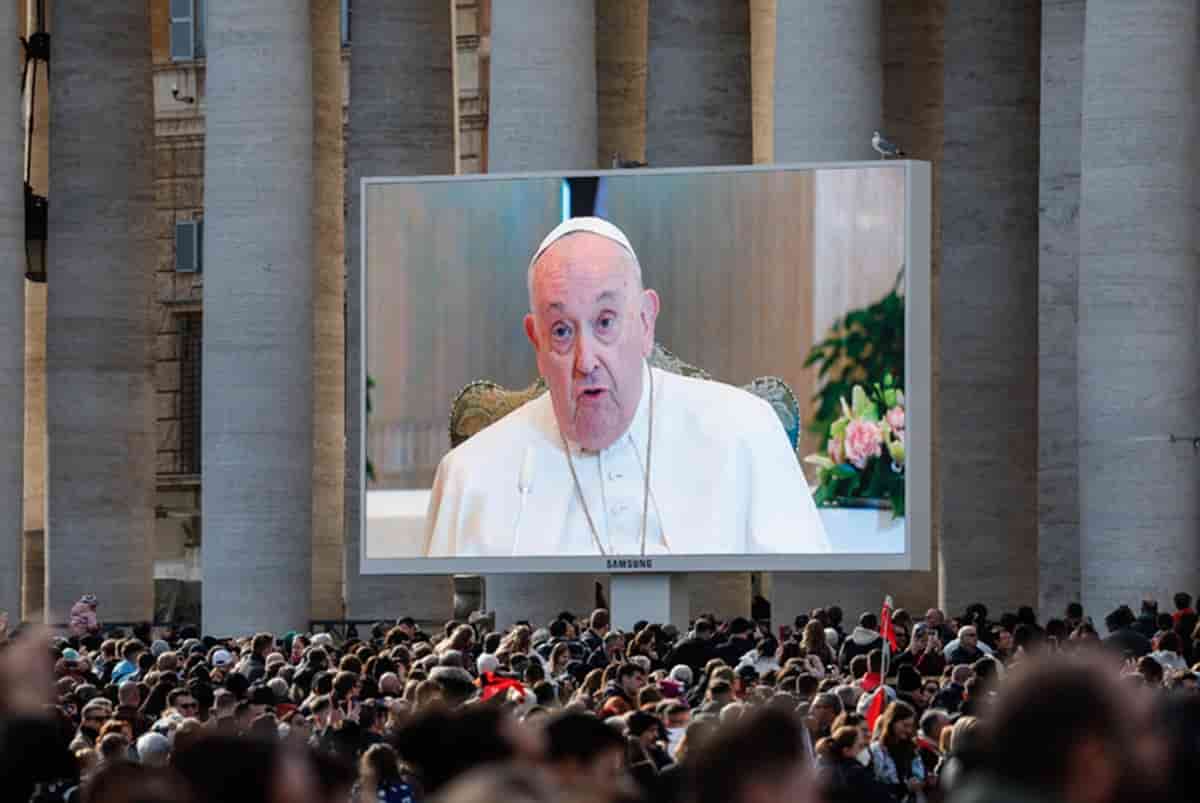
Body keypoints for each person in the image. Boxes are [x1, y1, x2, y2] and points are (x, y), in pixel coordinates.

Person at [423, 216, 831, 556]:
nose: (586, 361)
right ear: (537, 342)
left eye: (605, 322)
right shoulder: (469, 475)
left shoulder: (747, 431)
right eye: (562, 331)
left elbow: (802, 608)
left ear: (645, 321)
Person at [817, 725, 893, 803]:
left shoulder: (824, 771)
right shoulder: (855, 774)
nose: (865, 750)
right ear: (846, 751)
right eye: (861, 746)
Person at [869, 701, 926, 803]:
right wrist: (904, 787)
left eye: (910, 726)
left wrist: (925, 780)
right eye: (905, 725)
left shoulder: (911, 748)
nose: (908, 730)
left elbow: (918, 774)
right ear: (891, 722)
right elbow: (874, 786)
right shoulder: (876, 751)